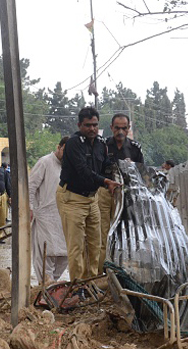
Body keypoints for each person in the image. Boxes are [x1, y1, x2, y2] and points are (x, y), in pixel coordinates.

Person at [57, 107, 121, 282]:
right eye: (87, 125)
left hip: (92, 199)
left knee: (96, 245)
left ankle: (91, 282)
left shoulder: (101, 144)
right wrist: (106, 182)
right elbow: (83, 171)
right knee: (76, 247)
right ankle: (77, 286)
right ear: (80, 125)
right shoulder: (73, 143)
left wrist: (119, 172)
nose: (92, 129)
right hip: (72, 198)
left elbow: (106, 165)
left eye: (95, 125)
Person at [98, 113, 144, 273]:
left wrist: (131, 167)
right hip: (104, 194)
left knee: (124, 233)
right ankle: (101, 274)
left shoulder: (135, 148)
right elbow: (94, 170)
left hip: (126, 197)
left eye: (124, 128)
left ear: (128, 128)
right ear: (111, 128)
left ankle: (122, 273)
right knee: (102, 234)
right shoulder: (101, 146)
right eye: (117, 128)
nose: (120, 131)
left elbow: (141, 176)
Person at [29, 136, 70, 283]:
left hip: (63, 218)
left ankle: (52, 286)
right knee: (46, 254)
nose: (66, 155)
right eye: (64, 150)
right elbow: (31, 186)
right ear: (58, 147)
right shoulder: (45, 162)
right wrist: (29, 208)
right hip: (45, 217)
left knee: (64, 254)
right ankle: (45, 286)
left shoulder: (69, 165)